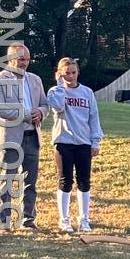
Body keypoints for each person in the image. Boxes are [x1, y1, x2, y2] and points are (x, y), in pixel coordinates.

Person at [0, 43, 48, 230]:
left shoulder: (35, 79)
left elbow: (45, 104)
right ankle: (2, 221)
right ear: (10, 59)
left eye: (28, 59)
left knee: (31, 181)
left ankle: (28, 219)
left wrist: (41, 112)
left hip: (32, 136)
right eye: (22, 59)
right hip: (11, 137)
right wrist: (28, 114)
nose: (25, 63)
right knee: (7, 178)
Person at [47, 57, 104, 233]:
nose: (71, 76)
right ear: (60, 73)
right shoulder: (55, 91)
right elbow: (57, 107)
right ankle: (64, 219)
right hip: (64, 142)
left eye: (73, 72)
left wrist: (95, 141)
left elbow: (93, 117)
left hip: (84, 143)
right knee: (65, 181)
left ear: (78, 72)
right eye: (66, 73)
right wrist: (60, 85)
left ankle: (84, 219)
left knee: (84, 181)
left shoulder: (87, 93)